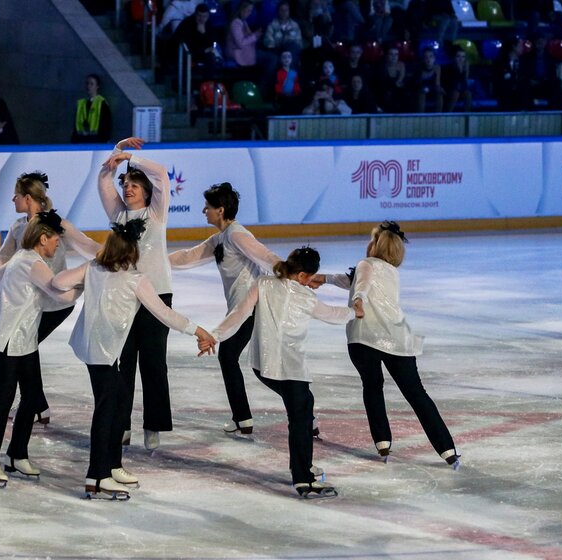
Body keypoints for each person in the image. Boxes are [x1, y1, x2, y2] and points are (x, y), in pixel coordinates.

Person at [53, 219, 216, 500]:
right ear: (132, 253)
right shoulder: (135, 280)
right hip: (106, 353)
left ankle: (112, 466)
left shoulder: (93, 268)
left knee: (117, 405)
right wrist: (199, 330)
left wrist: (85, 285)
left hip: (91, 349)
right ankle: (97, 476)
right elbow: (165, 313)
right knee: (107, 410)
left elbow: (58, 282)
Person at [209, 247, 359, 498]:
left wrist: (214, 335)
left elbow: (239, 313)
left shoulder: (263, 283)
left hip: (263, 366)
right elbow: (332, 315)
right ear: (301, 275)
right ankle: (303, 478)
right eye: (310, 278)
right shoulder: (305, 296)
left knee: (304, 405)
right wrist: (356, 312)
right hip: (290, 368)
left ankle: (302, 465)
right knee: (300, 416)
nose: (311, 283)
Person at [310, 221, 460, 468]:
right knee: (416, 394)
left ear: (376, 245)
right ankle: (447, 448)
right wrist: (323, 278)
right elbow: (354, 279)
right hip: (396, 338)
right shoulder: (391, 271)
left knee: (372, 387)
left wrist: (358, 300)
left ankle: (382, 442)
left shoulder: (366, 264)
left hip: (363, 337)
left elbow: (360, 284)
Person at [0, 172, 101, 425]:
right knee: (25, 351)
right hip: (30, 306)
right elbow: (1, 260)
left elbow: (86, 245)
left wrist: (114, 256)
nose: (13, 199)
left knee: (23, 351)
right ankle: (37, 405)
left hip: (56, 303)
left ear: (28, 198)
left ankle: (34, 404)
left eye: (16, 195)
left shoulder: (55, 224)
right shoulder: (18, 227)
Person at [0, 211, 84, 487]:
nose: (58, 243)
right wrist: (86, 282)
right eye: (56, 238)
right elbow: (61, 293)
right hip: (10, 338)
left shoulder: (22, 258)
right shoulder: (31, 263)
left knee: (32, 396)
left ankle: (17, 454)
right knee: (5, 397)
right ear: (43, 238)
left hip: (24, 339)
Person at [168, 183, 280, 435]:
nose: (203, 210)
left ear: (220, 210)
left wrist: (292, 273)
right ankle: (246, 418)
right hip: (242, 310)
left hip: (253, 308)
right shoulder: (221, 237)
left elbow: (267, 257)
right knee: (257, 365)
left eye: (207, 207)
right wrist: (156, 262)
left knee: (238, 360)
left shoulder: (237, 235)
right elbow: (189, 255)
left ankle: (249, 418)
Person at [97, 137, 173, 451]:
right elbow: (104, 180)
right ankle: (121, 424)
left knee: (154, 364)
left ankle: (154, 424)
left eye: (134, 185)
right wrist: (116, 152)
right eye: (125, 184)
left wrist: (130, 158)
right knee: (123, 363)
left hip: (157, 296)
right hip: (124, 298)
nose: (127, 188)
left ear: (146, 191)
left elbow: (162, 175)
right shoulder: (118, 215)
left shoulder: (156, 214)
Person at [71, 74, 112, 144]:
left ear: (97, 86)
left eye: (91, 84)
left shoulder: (102, 103)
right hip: (80, 140)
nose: (88, 86)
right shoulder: (81, 103)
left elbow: (106, 125)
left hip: (96, 141)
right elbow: (76, 124)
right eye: (87, 83)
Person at [226, 1, 263, 67]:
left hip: (246, 51)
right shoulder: (236, 23)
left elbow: (249, 37)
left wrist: (256, 34)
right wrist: (254, 36)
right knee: (271, 58)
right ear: (242, 10)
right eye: (248, 10)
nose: (250, 13)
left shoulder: (244, 22)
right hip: (237, 53)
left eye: (251, 11)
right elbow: (241, 43)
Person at [414, 47, 443, 112]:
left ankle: (438, 115)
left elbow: (437, 83)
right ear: (423, 59)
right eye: (426, 57)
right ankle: (421, 115)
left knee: (439, 93)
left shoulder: (437, 68)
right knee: (422, 93)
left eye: (430, 56)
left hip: (432, 87)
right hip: (421, 87)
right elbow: (418, 83)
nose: (428, 59)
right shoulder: (420, 68)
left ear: (434, 58)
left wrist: (439, 88)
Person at [442, 47, 471, 112]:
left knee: (468, 94)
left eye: (463, 57)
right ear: (454, 58)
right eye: (458, 56)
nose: (461, 59)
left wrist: (465, 70)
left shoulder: (465, 66)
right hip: (449, 88)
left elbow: (464, 81)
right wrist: (459, 70)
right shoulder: (449, 68)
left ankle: (467, 115)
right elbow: (451, 83)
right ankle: (448, 114)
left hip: (460, 88)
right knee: (455, 93)